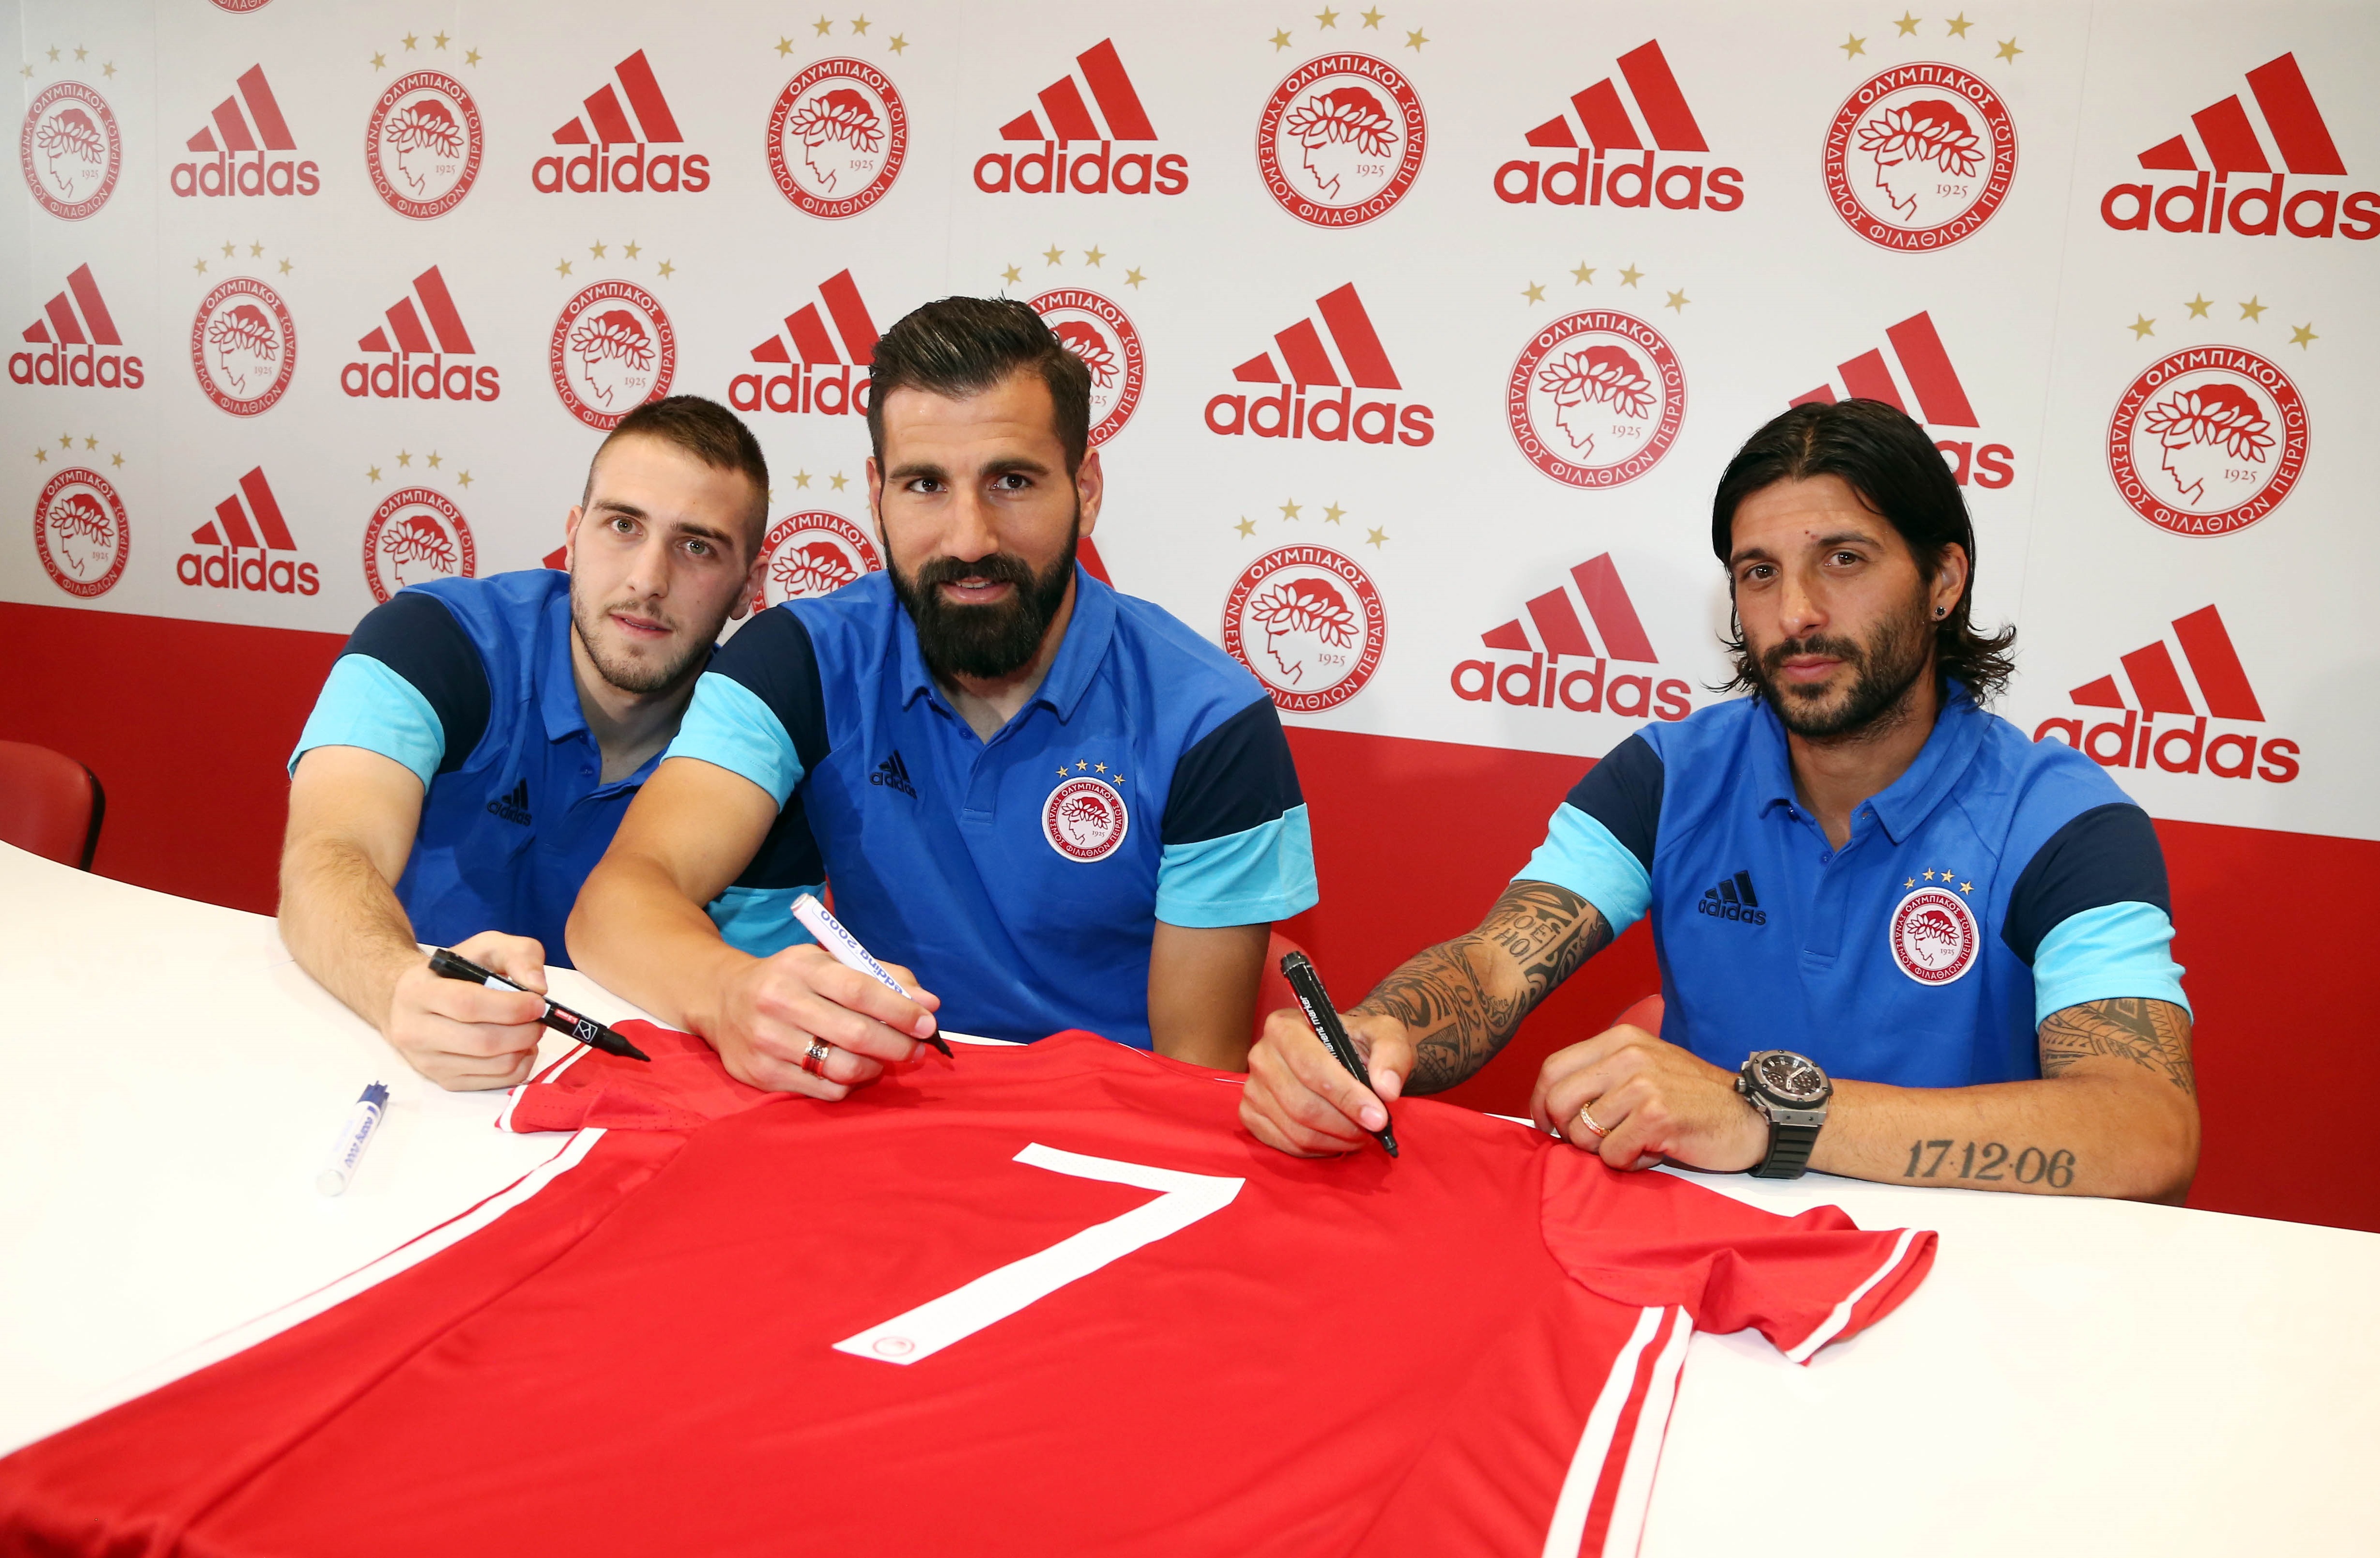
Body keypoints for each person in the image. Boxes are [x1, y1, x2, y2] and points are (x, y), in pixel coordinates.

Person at [1242, 398, 2199, 1202]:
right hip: (1708, 1263)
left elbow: (2146, 1128)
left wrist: (1768, 1115)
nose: (1797, 614)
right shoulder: (1671, 773)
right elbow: (1495, 967)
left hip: (1972, 1285)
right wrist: (1377, 1036)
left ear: (1943, 580)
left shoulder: (2063, 822)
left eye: (1845, 559)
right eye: (1759, 573)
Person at [569, 296, 1316, 1093]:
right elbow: (618, 901)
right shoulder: (801, 659)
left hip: (1098, 1134)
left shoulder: (1211, 720)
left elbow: (1192, 1083)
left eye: (1012, 481)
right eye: (925, 484)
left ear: (1086, 487)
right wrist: (730, 994)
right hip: (875, 1112)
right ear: (876, 495)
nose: (969, 538)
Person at [280, 397, 795, 1091]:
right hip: (386, 1057)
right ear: (573, 536)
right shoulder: (431, 641)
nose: (648, 580)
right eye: (623, 526)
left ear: (747, 589)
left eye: (697, 546)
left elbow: (752, 1006)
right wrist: (396, 986)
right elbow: (328, 854)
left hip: (621, 1097)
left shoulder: (763, 741)